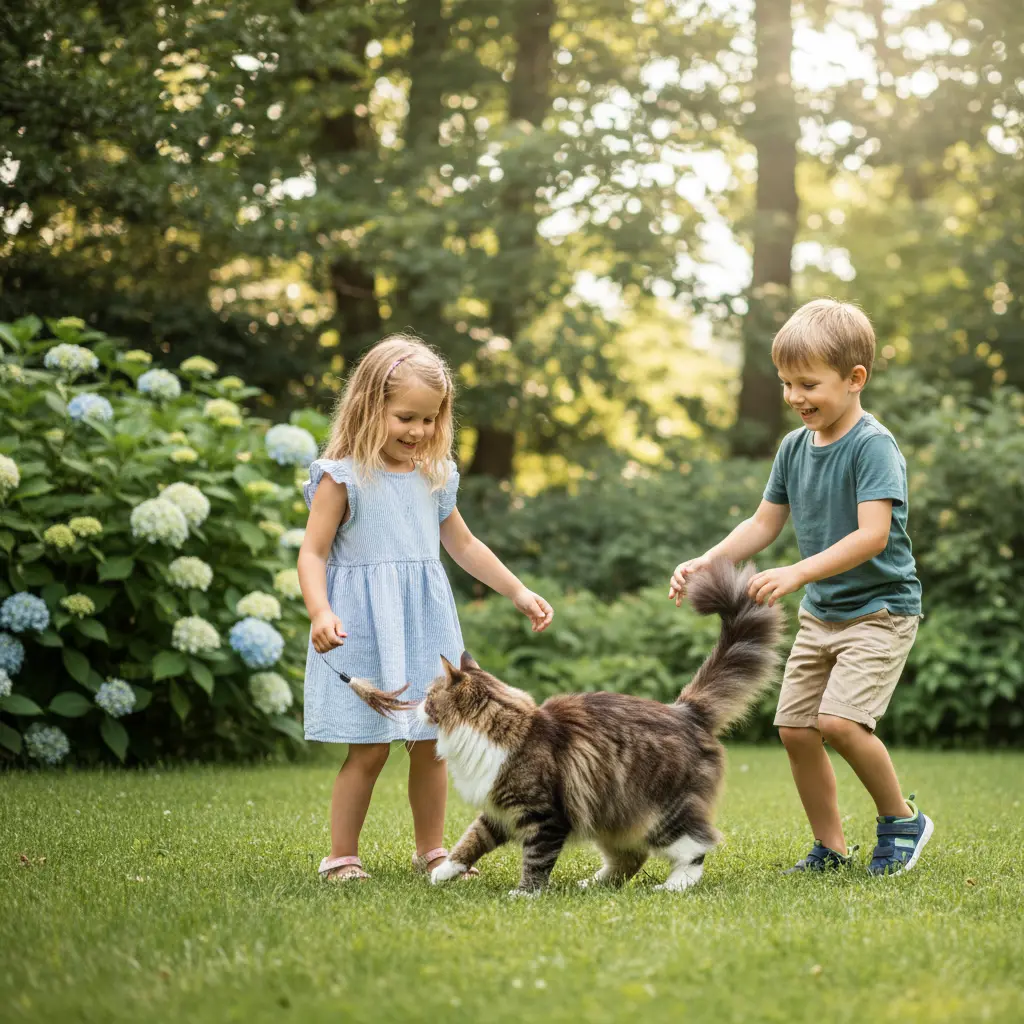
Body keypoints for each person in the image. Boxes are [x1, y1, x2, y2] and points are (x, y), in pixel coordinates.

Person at [668, 299, 932, 876]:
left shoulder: (872, 445)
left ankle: (902, 819)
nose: (795, 396)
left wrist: (798, 572)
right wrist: (706, 561)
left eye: (808, 383)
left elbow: (872, 535)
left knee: (839, 723)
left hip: (880, 611)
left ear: (854, 378)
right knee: (795, 728)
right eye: (787, 383)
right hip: (824, 612)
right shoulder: (794, 447)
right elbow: (764, 524)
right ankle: (831, 848)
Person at [297, 333, 553, 882]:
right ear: (371, 408)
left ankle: (432, 850)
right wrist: (320, 611)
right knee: (367, 751)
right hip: (362, 628)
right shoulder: (341, 477)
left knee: (429, 745)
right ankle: (341, 856)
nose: (418, 432)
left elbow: (464, 545)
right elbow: (312, 552)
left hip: (424, 627)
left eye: (430, 420)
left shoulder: (434, 476)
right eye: (405, 417)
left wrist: (516, 590)